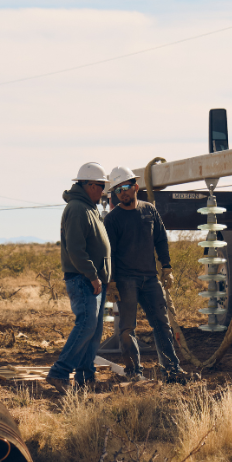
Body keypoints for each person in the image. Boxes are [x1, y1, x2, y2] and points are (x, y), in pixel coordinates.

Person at [102, 166, 193, 384]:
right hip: (125, 280)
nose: (122, 193)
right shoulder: (112, 220)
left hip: (150, 279)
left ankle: (171, 371)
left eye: (125, 187)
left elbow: (161, 240)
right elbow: (108, 253)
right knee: (127, 328)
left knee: (162, 324)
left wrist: (167, 268)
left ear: (136, 186)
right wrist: (111, 282)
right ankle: (134, 371)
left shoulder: (149, 211)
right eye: (117, 190)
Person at [46, 162, 111, 393]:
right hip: (84, 279)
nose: (103, 191)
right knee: (86, 325)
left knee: (93, 330)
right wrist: (92, 275)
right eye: (101, 186)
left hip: (93, 280)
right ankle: (59, 373)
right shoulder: (77, 208)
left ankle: (86, 377)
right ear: (90, 185)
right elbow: (75, 249)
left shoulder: (89, 208)